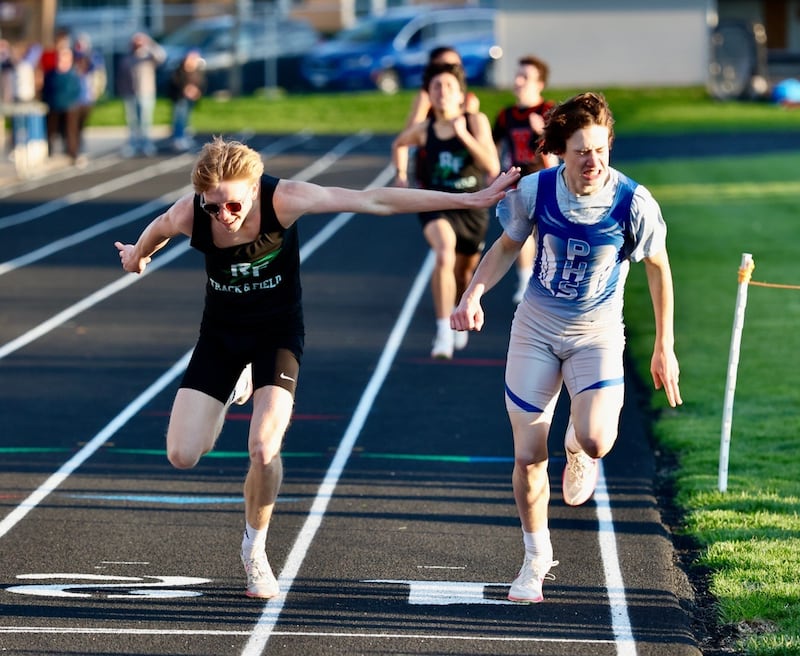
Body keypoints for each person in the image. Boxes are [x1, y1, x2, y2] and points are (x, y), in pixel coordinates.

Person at [113, 136, 520, 599]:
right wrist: (137, 256)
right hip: (221, 337)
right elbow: (160, 227)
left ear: (253, 188)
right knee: (182, 454)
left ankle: (255, 549)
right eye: (212, 209)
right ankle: (235, 384)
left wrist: (468, 198)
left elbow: (375, 199)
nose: (223, 218)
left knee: (264, 448)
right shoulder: (194, 212)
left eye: (231, 206)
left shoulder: (284, 198)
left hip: (277, 335)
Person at [451, 92, 682, 603]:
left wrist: (664, 345)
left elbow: (659, 267)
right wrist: (472, 294)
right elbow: (506, 246)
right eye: (582, 151)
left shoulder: (633, 201)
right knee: (529, 453)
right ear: (563, 151)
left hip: (596, 333)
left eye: (601, 149)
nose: (593, 161)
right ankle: (535, 559)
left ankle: (578, 448)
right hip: (536, 327)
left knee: (596, 438)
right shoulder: (535, 191)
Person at [392, 62, 500, 359]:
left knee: (464, 272)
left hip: (471, 206)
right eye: (436, 87)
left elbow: (491, 166)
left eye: (449, 86)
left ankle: (458, 308)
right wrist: (401, 174)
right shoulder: (425, 129)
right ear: (429, 93)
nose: (442, 92)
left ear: (460, 94)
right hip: (436, 203)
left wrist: (462, 134)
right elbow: (399, 143)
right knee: (443, 251)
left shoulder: (475, 121)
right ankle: (442, 332)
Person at [493, 55, 559, 304]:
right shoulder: (505, 115)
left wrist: (542, 131)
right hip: (517, 183)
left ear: (539, 84)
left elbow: (565, 147)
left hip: (545, 181)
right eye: (517, 76)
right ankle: (524, 281)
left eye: (525, 77)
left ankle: (546, 279)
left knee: (545, 235)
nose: (518, 81)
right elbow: (493, 144)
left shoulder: (549, 111)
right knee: (521, 232)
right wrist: (492, 171)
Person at [402, 46, 481, 188]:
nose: (449, 68)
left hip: (461, 172)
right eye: (444, 64)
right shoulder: (425, 98)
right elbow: (408, 137)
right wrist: (422, 108)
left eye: (455, 64)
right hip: (431, 167)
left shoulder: (468, 100)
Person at [116, 32, 165, 157]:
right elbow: (121, 76)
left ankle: (146, 143)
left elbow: (162, 56)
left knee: (145, 120)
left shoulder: (148, 57)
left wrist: (149, 42)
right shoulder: (127, 57)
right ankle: (133, 144)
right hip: (130, 93)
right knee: (132, 121)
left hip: (146, 93)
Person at [40, 45, 81, 165]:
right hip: (54, 106)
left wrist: (71, 101)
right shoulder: (51, 74)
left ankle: (72, 153)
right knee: (51, 130)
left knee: (70, 131)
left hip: (70, 106)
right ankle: (49, 152)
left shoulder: (73, 74)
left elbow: (76, 90)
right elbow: (46, 89)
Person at [167, 49, 206, 152]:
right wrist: (186, 90)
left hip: (191, 99)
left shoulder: (197, 71)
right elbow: (175, 83)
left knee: (186, 119)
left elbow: (201, 83)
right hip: (180, 98)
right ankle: (178, 138)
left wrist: (196, 92)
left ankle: (185, 136)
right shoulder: (179, 70)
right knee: (179, 119)